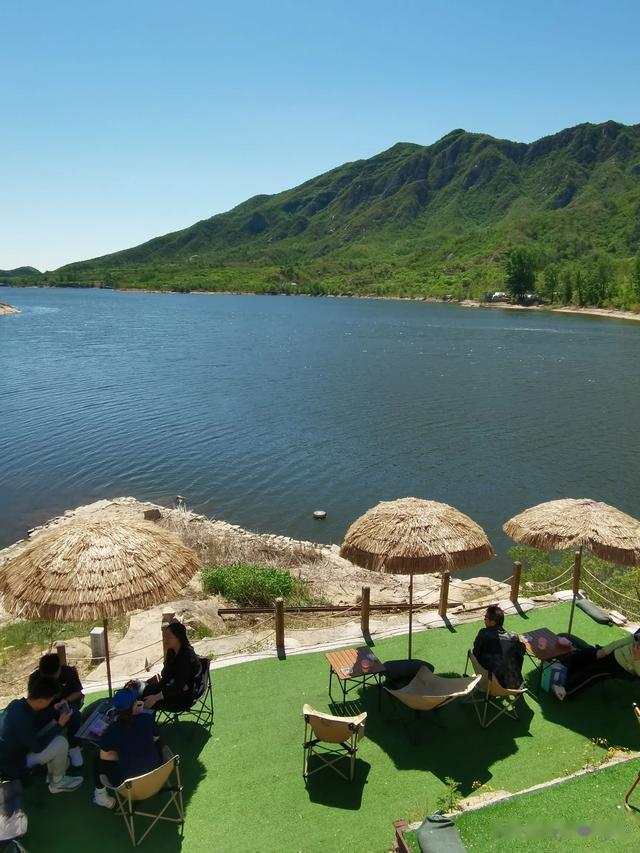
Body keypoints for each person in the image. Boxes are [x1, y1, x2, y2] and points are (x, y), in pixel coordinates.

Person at [0, 673, 83, 794]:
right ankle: (57, 782)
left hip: (14, 752)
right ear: (41, 700)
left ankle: (50, 771)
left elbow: (37, 720)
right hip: (14, 765)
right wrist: (59, 725)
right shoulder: (22, 719)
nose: (51, 702)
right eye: (50, 700)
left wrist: (54, 709)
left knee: (61, 753)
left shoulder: (17, 704)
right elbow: (37, 747)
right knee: (61, 743)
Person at [93, 688, 162, 809]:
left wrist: (124, 754)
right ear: (135, 704)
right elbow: (156, 738)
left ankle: (101, 796)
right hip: (157, 777)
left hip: (129, 786)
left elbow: (105, 756)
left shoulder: (113, 729)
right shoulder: (147, 719)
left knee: (97, 760)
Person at [555, 628, 640, 701]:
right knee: (585, 654)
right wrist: (604, 651)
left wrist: (637, 658)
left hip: (622, 668)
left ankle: (566, 693)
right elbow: (623, 641)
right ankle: (563, 673)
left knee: (594, 673)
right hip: (612, 654)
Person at [33, 653, 84, 768]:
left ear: (59, 668)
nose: (51, 678)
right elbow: (34, 701)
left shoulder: (69, 672)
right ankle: (46, 750)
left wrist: (66, 700)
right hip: (45, 708)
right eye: (47, 676)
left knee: (74, 715)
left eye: (53, 675)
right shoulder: (35, 678)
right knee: (38, 720)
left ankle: (74, 746)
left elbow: (78, 692)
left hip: (66, 704)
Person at [141, 621, 201, 711]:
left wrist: (156, 697)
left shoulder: (187, 655)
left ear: (178, 637)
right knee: (141, 692)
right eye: (165, 636)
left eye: (169, 636)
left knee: (145, 700)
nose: (165, 639)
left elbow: (180, 686)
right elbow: (165, 675)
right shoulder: (171, 652)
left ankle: (142, 717)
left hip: (184, 696)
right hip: (170, 689)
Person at [472, 604, 525, 689]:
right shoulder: (513, 638)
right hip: (512, 684)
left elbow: (475, 652)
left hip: (491, 681)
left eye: (486, 618)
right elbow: (522, 652)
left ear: (493, 622)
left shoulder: (483, 633)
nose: (484, 620)